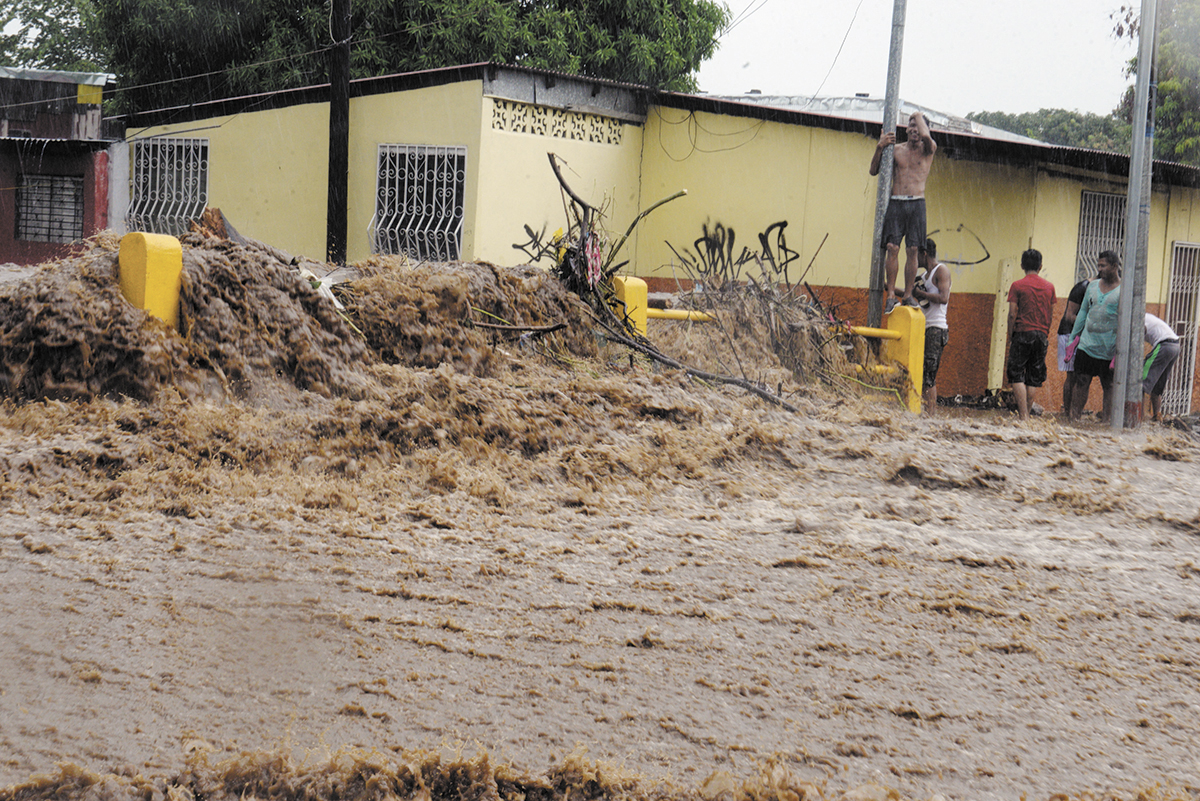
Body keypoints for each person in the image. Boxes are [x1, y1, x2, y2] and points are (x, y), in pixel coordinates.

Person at [869, 111, 937, 312]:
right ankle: (891, 294)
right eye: (911, 125)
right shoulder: (896, 150)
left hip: (917, 203)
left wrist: (917, 115)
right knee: (892, 247)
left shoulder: (928, 149)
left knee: (913, 249)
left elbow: (926, 137)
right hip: (896, 202)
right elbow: (873, 170)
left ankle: (907, 294)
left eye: (918, 126)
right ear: (906, 129)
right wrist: (880, 147)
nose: (914, 129)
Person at [1067, 250, 1122, 422]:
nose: (1099, 269)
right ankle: (1073, 420)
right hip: (1087, 345)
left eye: (1103, 265)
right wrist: (1072, 340)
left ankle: (1107, 423)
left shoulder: (1124, 290)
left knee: (1110, 385)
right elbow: (1083, 312)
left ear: (1114, 266)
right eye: (1098, 265)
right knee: (1081, 381)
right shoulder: (1092, 286)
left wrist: (1119, 350)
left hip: (1109, 348)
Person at [1005, 249, 1056, 420]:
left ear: (1022, 265)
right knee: (1033, 377)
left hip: (1022, 332)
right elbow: (1050, 314)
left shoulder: (1017, 285)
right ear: (1040, 266)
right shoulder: (1050, 287)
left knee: (1016, 373)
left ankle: (1023, 416)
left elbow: (1012, 313)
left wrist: (1011, 334)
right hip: (1041, 335)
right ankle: (1027, 415)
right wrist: (1045, 333)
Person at [911, 237, 950, 414]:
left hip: (936, 329)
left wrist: (920, 292)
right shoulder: (924, 277)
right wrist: (888, 288)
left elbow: (943, 298)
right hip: (924, 329)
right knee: (922, 372)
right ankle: (926, 412)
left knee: (929, 376)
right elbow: (909, 294)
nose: (914, 259)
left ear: (924, 254)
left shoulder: (941, 271)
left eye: (916, 255)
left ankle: (931, 415)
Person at [1056, 273, 1090, 415]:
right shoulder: (1082, 288)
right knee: (1072, 376)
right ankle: (1068, 413)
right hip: (1069, 334)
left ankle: (1075, 414)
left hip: (1085, 336)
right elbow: (1068, 316)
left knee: (1083, 376)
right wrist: (1092, 322)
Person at [1143, 312, 1182, 422]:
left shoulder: (1140, 318)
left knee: (1140, 381)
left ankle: (1137, 418)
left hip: (1164, 345)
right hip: (1175, 346)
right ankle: (1157, 417)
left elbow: (1140, 332)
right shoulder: (1148, 316)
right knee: (1157, 385)